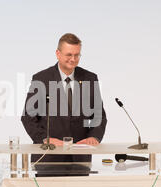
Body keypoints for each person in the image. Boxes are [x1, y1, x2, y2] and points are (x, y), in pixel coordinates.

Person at [21, 33, 107, 163]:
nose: (73, 59)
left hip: (80, 158)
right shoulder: (41, 79)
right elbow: (28, 118)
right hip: (48, 157)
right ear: (58, 53)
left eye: (77, 55)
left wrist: (94, 137)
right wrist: (45, 139)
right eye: (69, 55)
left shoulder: (90, 78)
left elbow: (99, 116)